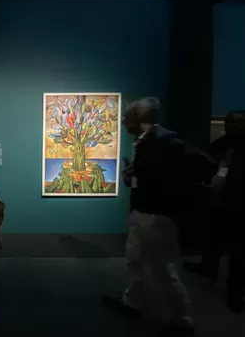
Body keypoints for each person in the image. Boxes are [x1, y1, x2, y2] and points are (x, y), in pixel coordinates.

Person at [105, 98, 217, 335]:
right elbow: (147, 174)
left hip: (157, 217)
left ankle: (183, 319)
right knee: (134, 258)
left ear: (140, 118)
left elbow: (206, 165)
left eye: (127, 117)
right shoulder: (144, 141)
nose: (124, 122)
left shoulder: (165, 140)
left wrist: (168, 189)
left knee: (164, 268)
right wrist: (134, 178)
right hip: (141, 213)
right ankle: (132, 301)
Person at [183, 110, 245, 313]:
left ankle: (234, 293)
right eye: (229, 123)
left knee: (238, 252)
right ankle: (208, 267)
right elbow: (206, 165)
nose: (232, 126)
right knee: (213, 238)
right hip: (216, 201)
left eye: (237, 123)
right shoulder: (219, 145)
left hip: (239, 204)